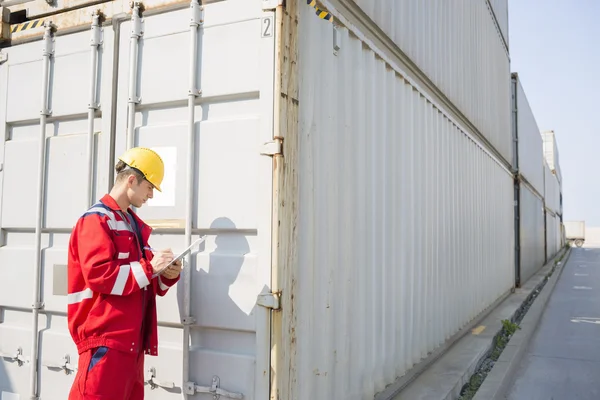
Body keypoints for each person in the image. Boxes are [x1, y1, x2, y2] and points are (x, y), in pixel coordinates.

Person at [66, 147, 182, 399]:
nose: (151, 195)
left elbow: (145, 283)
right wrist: (151, 267)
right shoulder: (96, 220)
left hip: (131, 346)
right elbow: (100, 275)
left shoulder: (132, 225)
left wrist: (167, 274)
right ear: (132, 180)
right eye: (149, 187)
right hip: (104, 342)